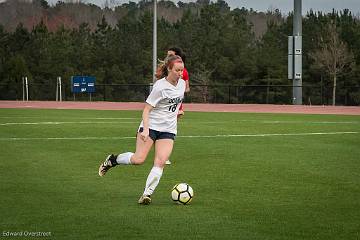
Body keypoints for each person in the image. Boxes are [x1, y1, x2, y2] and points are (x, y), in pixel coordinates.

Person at [98, 55, 186, 205]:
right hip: (150, 126)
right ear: (169, 69)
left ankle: (147, 194)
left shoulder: (182, 84)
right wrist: (145, 130)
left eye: (182, 70)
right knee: (138, 159)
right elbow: (146, 110)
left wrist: (177, 113)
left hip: (168, 129)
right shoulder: (160, 86)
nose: (180, 73)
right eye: (177, 70)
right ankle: (112, 160)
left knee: (161, 161)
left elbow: (175, 104)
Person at [165, 47, 190, 165]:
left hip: (175, 104)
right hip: (164, 105)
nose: (167, 56)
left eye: (170, 54)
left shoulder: (183, 72)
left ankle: (164, 155)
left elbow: (187, 88)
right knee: (164, 126)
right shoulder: (166, 70)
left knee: (170, 128)